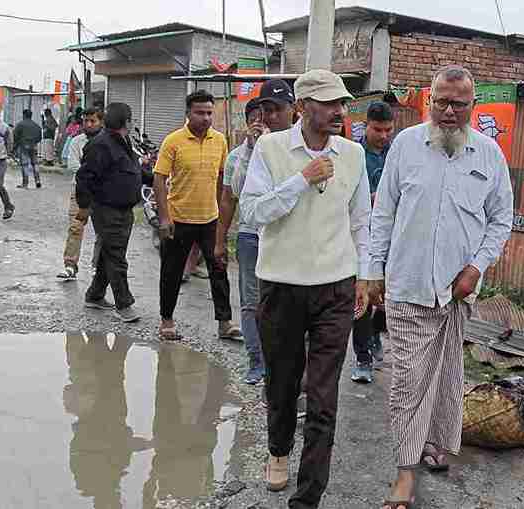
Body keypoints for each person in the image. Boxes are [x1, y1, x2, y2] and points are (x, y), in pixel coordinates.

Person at [369, 65, 514, 509]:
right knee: (409, 382)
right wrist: (372, 272)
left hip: (457, 291)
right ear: (428, 101)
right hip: (407, 285)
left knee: (446, 373)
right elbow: (384, 214)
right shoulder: (406, 146)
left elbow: (501, 220)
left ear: (474, 106)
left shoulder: (489, 155)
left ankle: (431, 443)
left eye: (459, 104)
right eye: (441, 102)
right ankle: (404, 472)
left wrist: (477, 267)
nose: (449, 111)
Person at [239, 69, 370, 509]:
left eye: (342, 103)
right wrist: (302, 178)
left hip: (335, 288)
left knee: (323, 397)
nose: (339, 111)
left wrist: (365, 277)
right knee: (282, 383)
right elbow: (254, 213)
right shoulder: (272, 149)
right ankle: (278, 449)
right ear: (303, 107)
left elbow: (361, 222)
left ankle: (308, 497)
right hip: (281, 286)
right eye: (329, 103)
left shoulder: (352, 154)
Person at [216, 80, 295, 385]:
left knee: (283, 304)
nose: (267, 119)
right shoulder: (240, 154)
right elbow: (234, 193)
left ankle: (281, 365)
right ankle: (256, 362)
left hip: (286, 236)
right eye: (261, 114)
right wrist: (252, 148)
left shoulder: (297, 148)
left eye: (276, 110)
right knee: (251, 302)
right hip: (251, 236)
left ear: (292, 111)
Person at [154, 90, 241, 342]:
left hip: (209, 220)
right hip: (178, 219)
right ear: (188, 114)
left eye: (209, 113)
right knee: (171, 272)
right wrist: (164, 218)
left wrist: (222, 217)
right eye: (200, 112)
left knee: (219, 271)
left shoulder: (219, 141)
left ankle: (225, 323)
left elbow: (222, 178)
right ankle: (167, 321)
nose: (206, 117)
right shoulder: (173, 141)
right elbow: (159, 179)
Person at [75, 102, 148, 323]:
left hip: (125, 210)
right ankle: (124, 304)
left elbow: (132, 170)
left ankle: (95, 295)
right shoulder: (101, 145)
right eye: (131, 118)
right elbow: (84, 178)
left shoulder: (124, 141)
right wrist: (84, 208)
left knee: (110, 253)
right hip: (107, 209)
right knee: (116, 257)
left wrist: (155, 178)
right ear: (127, 121)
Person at [351, 101, 395, 384]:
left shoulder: (398, 154)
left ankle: (377, 332)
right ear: (366, 125)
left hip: (393, 236)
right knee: (362, 297)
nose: (383, 136)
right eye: (377, 129)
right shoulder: (354, 154)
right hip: (363, 235)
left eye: (388, 130)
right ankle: (363, 359)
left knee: (387, 296)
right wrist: (371, 200)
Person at [58, 107, 104, 281]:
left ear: (101, 122)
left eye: (93, 121)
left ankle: (97, 267)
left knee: (102, 231)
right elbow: (73, 165)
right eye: (86, 121)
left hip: (102, 194)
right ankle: (70, 265)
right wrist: (93, 173)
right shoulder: (77, 141)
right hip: (79, 190)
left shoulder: (108, 141)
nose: (89, 124)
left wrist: (89, 172)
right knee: (75, 227)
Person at [12, 109, 43, 189]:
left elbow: (15, 136)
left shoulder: (20, 124)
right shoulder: (36, 125)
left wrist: (14, 147)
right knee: (35, 164)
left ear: (24, 115)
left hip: (24, 146)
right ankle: (38, 181)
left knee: (25, 165)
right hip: (34, 146)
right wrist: (34, 142)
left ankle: (25, 184)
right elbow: (40, 137)